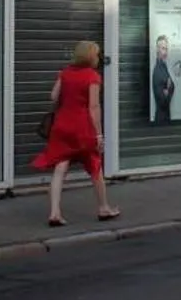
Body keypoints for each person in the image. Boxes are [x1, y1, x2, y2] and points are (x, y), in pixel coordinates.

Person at [33, 41, 118, 226]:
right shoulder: (92, 76)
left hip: (62, 125)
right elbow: (94, 107)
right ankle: (104, 208)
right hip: (82, 127)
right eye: (97, 54)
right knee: (95, 166)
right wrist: (99, 134)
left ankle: (55, 212)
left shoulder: (65, 73)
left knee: (60, 167)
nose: (99, 57)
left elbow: (53, 96)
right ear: (90, 56)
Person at [151, 36, 176, 123]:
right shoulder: (157, 70)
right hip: (161, 119)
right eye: (163, 48)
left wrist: (167, 90)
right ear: (157, 49)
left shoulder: (163, 66)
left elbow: (172, 85)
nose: (165, 52)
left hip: (166, 116)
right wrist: (168, 88)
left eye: (166, 49)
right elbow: (163, 101)